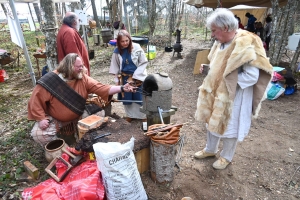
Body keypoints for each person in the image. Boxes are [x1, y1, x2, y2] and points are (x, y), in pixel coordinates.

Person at [194, 8, 273, 170]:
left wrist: (226, 82)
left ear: (225, 28)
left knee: (230, 127)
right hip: (216, 93)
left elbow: (252, 77)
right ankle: (210, 149)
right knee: (211, 121)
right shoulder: (220, 43)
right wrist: (209, 69)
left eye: (214, 31)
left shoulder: (245, 45)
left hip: (234, 97)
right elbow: (221, 68)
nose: (212, 35)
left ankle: (226, 157)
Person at [28, 53, 137, 146]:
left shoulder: (81, 77)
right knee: (38, 134)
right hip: (57, 118)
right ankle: (64, 150)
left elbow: (101, 88)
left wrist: (122, 88)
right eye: (78, 66)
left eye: (82, 66)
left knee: (99, 114)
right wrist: (41, 118)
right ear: (69, 67)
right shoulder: (50, 80)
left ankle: (85, 142)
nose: (82, 68)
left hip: (78, 113)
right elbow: (35, 101)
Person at [109, 30, 148, 122]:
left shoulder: (137, 47)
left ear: (130, 39)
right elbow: (115, 65)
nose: (125, 43)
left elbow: (143, 62)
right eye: (122, 41)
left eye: (127, 40)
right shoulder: (117, 51)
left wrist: (136, 76)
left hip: (137, 77)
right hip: (125, 78)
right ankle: (130, 115)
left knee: (139, 96)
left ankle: (142, 116)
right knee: (127, 97)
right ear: (119, 41)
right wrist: (116, 80)